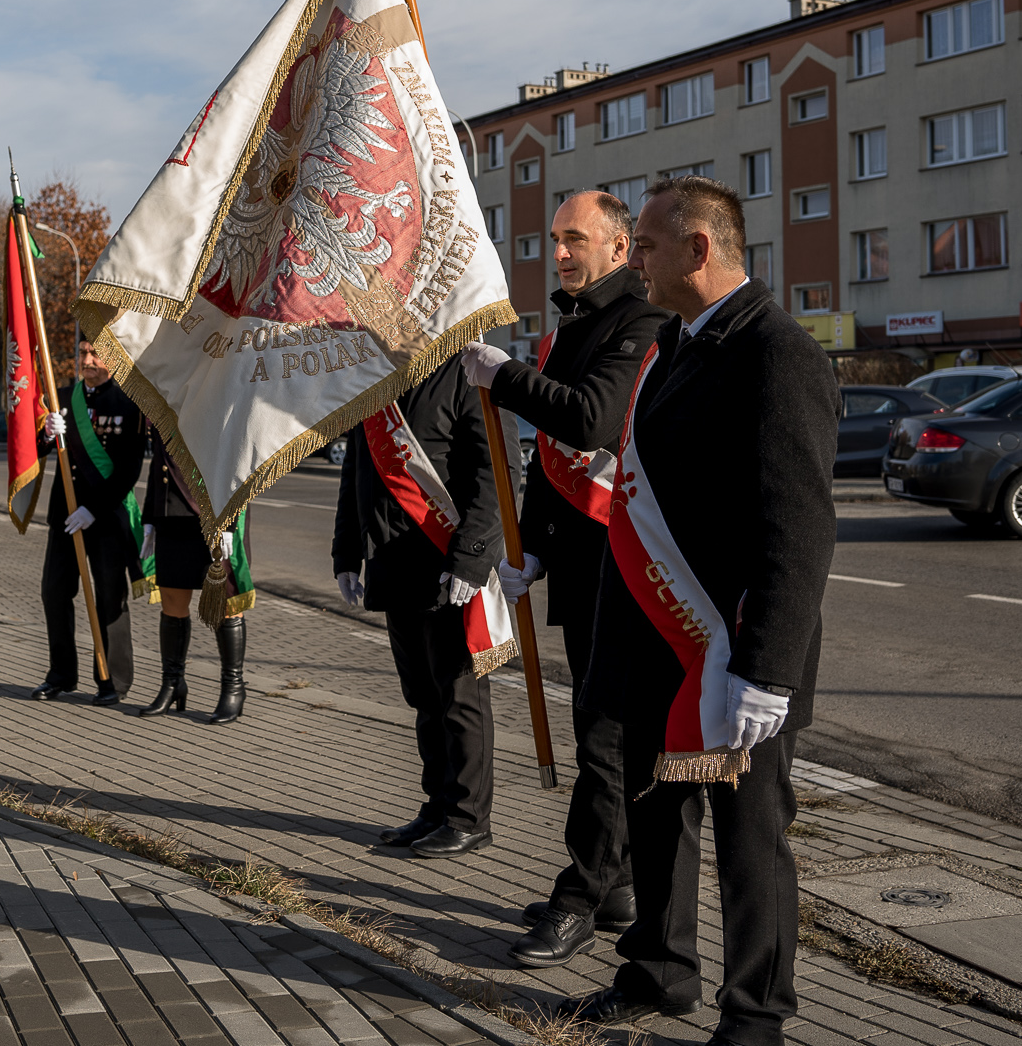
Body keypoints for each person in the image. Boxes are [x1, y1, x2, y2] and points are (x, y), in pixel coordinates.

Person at [555, 176, 838, 1046]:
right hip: (659, 645)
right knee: (657, 814)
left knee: (751, 841)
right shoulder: (670, 344)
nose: (633, 256)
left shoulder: (776, 350)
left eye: (643, 243)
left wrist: (768, 668)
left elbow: (798, 526)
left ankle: (756, 1016)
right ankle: (659, 970)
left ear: (699, 248)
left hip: (733, 651)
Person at [459, 190, 670, 968]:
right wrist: (536, 548)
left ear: (620, 248)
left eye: (575, 239)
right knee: (595, 735)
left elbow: (588, 420)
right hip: (582, 572)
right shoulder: (573, 327)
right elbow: (556, 461)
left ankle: (580, 897)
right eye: (554, 240)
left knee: (609, 742)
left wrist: (505, 376)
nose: (560, 253)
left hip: (631, 572)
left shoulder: (641, 324)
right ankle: (614, 888)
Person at [333, 364, 513, 859]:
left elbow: (495, 474)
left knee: (458, 698)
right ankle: (436, 806)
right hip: (393, 564)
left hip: (446, 566)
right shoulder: (376, 378)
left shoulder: (466, 373)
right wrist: (345, 552)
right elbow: (357, 470)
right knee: (424, 698)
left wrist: (472, 559)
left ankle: (468, 817)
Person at [32, 338, 145, 705]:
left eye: (96, 353)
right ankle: (61, 675)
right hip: (65, 512)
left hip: (105, 516)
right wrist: (47, 433)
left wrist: (93, 508)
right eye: (82, 352)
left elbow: (129, 468)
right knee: (54, 591)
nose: (87, 360)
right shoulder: (61, 396)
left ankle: (113, 680)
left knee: (110, 596)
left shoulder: (129, 401)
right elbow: (37, 449)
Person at [138, 427, 255, 723]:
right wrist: (150, 517)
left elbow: (237, 458)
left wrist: (228, 523)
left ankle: (233, 688)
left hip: (214, 514)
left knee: (225, 605)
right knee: (173, 603)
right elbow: (160, 460)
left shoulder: (219, 389)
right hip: (171, 513)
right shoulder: (163, 391)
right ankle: (173, 683)